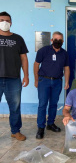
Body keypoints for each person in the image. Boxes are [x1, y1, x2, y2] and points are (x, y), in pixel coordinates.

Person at [34, 31, 70, 139]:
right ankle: (41, 127)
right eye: (55, 39)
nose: (57, 41)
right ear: (51, 40)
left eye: (60, 40)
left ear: (62, 41)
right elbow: (36, 65)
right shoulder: (43, 51)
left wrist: (67, 81)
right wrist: (36, 80)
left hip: (57, 81)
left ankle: (50, 124)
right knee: (42, 104)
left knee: (54, 104)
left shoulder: (64, 53)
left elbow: (66, 68)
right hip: (43, 81)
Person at [0, 11, 29, 141]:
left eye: (7, 20)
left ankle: (15, 131)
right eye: (1, 20)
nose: (4, 23)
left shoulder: (18, 38)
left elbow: (24, 58)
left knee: (15, 106)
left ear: (11, 23)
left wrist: (26, 75)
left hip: (14, 79)